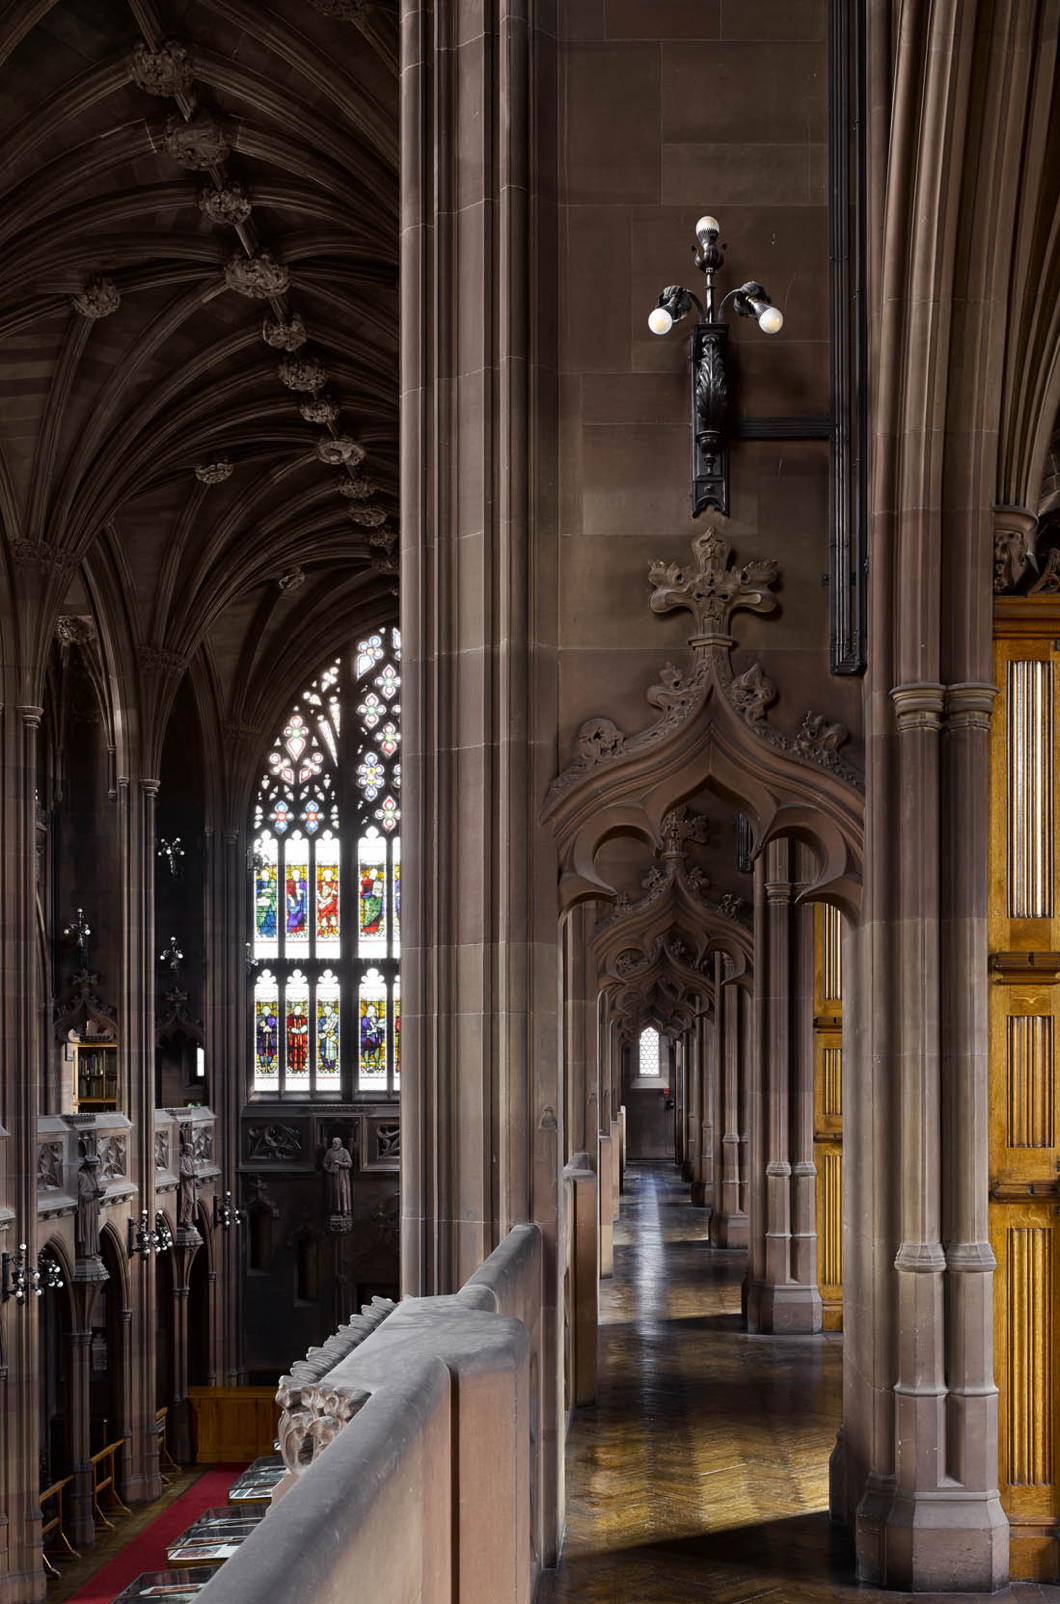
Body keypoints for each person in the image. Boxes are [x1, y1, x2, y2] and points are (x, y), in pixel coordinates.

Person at [322, 1136, 352, 1218]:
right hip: (331, 1176)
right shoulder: (329, 1152)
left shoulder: (345, 1152)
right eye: (332, 1143)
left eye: (335, 1143)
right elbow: (324, 1162)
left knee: (342, 1192)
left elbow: (350, 1164)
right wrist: (327, 1169)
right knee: (332, 1193)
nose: (333, 1144)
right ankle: (333, 1210)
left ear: (339, 1143)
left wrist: (340, 1163)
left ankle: (344, 1210)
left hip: (342, 1176)